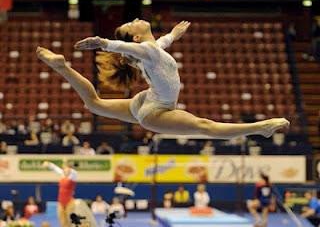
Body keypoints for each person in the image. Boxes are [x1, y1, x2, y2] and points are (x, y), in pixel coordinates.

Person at [37, 19, 289, 139]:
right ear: (135, 37)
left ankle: (62, 68)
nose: (135, 20)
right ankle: (261, 128)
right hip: (156, 111)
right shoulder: (144, 50)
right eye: (131, 24)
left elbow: (162, 43)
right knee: (205, 127)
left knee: (94, 104)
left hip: (146, 101)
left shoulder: (153, 49)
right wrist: (103, 43)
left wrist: (174, 34)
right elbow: (129, 49)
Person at [42, 161, 96, 227]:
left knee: (70, 220)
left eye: (67, 169)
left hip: (69, 202)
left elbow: (74, 172)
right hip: (61, 202)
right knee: (62, 220)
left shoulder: (73, 177)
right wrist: (48, 164)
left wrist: (70, 167)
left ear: (70, 170)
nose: (65, 171)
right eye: (64, 169)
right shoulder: (63, 175)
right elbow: (55, 168)